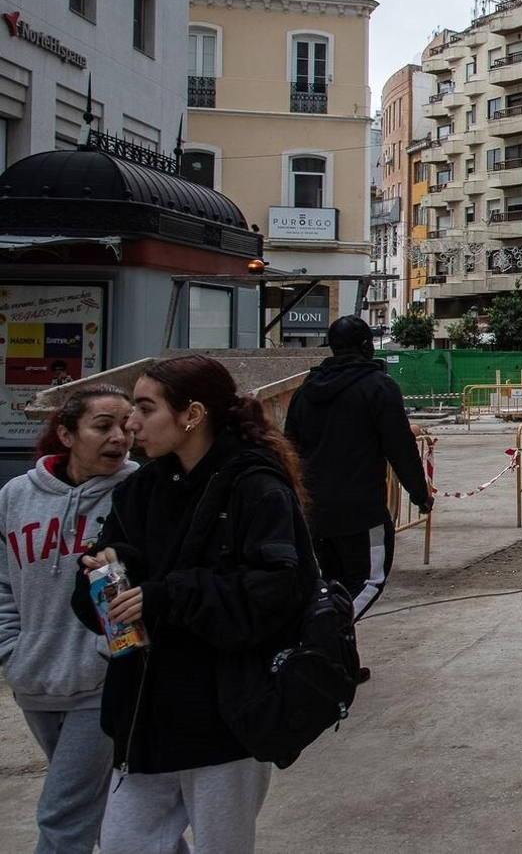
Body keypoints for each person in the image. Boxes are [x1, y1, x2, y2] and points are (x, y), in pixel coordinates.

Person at [70, 355, 316, 853]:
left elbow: (276, 592)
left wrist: (165, 595)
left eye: (145, 409)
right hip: (144, 717)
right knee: (122, 844)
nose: (131, 424)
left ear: (192, 415)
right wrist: (107, 569)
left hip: (223, 717)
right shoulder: (139, 489)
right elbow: (104, 587)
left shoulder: (255, 487)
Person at [2, 385, 135, 854]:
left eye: (126, 427)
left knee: (64, 813)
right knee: (104, 814)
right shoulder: (16, 495)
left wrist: (109, 654)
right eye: (103, 426)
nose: (119, 437)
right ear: (66, 434)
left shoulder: (139, 491)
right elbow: (2, 579)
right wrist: (11, 648)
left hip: (100, 684)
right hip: (34, 680)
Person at [284, 315, 433, 625]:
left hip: (314, 511)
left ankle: (336, 650)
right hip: (360, 511)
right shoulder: (378, 388)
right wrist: (420, 494)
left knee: (331, 584)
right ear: (366, 346)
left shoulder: (305, 391)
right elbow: (400, 446)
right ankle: (324, 634)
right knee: (368, 582)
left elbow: (289, 449)